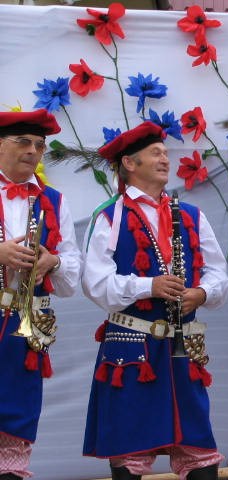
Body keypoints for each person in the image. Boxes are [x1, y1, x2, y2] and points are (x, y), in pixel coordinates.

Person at [81, 122, 228, 480]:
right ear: (130, 163)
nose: (165, 159)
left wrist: (201, 293)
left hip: (183, 349)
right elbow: (95, 285)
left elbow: (219, 275)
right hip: (132, 348)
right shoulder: (111, 215)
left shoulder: (191, 215)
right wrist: (150, 286)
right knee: (130, 453)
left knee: (199, 452)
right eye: (155, 153)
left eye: (165, 153)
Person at [0, 109, 81, 479]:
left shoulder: (55, 201)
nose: (32, 151)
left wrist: (54, 263)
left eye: (39, 145)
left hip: (27, 326)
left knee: (16, 419)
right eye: (23, 142)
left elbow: (71, 279)